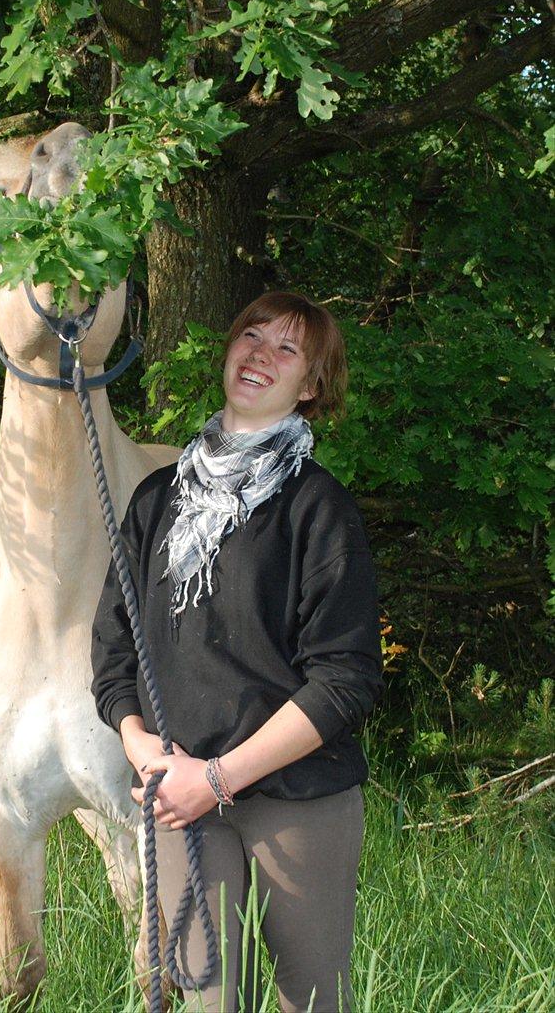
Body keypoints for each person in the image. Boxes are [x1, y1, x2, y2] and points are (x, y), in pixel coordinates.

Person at [91, 290, 383, 1012]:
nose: (261, 356)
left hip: (298, 799)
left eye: (288, 349)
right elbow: (114, 648)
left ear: (311, 386)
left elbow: (345, 680)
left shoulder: (318, 508)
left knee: (310, 1000)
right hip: (181, 801)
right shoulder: (157, 501)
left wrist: (219, 778)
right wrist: (145, 750)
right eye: (252, 336)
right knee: (209, 999)